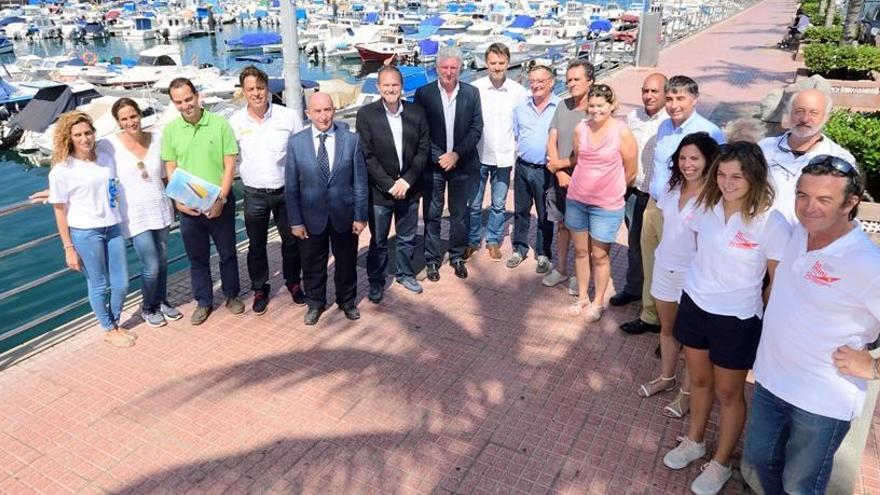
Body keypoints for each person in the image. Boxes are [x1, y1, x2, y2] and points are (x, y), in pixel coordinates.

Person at [744, 155, 879, 494]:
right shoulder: (797, 234)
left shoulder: (866, 263)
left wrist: (875, 367)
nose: (808, 207)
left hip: (822, 399)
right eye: (802, 195)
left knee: (800, 485)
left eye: (824, 199)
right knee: (760, 460)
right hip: (771, 381)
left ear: (851, 203)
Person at [663, 142, 791, 495]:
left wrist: (764, 323)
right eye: (721, 174)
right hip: (695, 304)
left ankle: (720, 463)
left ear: (754, 177)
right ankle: (695, 441)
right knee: (700, 382)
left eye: (737, 176)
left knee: (729, 393)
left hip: (736, 318)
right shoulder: (707, 205)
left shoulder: (771, 221)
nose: (727, 182)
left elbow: (776, 281)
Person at [622, 75, 726, 336]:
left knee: (683, 269)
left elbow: (717, 174)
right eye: (669, 98)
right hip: (656, 205)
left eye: (680, 98)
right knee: (652, 262)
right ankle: (650, 316)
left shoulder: (710, 132)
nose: (674, 104)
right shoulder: (664, 127)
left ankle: (676, 329)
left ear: (695, 100)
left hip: (688, 212)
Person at [637, 132, 720, 419]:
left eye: (695, 158)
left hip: (694, 276)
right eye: (683, 158)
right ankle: (666, 377)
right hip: (665, 267)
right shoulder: (672, 188)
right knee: (667, 329)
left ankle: (687, 395)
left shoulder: (715, 198)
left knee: (693, 340)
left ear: (708, 160)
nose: (688, 164)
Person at [48, 111, 132, 348]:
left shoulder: (106, 157)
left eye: (87, 133)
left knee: (122, 283)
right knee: (98, 284)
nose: (84, 139)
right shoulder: (62, 170)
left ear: (94, 133)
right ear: (69, 138)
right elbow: (59, 210)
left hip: (113, 227)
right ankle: (109, 327)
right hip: (86, 233)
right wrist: (68, 248)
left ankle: (114, 323)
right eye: (78, 135)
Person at [162, 77, 241, 326]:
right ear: (174, 104)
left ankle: (231, 295)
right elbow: (171, 169)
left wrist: (222, 198)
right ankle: (204, 302)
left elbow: (230, 166)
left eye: (188, 99)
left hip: (220, 202)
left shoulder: (220, 125)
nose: (185, 105)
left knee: (228, 253)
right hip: (189, 208)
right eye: (179, 102)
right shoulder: (170, 131)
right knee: (197, 259)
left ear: (197, 96)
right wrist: (178, 202)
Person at [285, 92, 368, 326]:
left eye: (328, 110)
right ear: (308, 113)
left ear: (334, 110)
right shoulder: (296, 143)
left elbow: (360, 182)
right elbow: (291, 187)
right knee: (312, 264)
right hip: (311, 217)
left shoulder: (351, 140)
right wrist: (296, 221)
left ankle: (347, 301)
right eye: (318, 111)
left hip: (344, 214)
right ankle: (315, 303)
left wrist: (360, 216)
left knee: (346, 262)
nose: (324, 116)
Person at [99, 98, 182, 328]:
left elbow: (167, 174)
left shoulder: (157, 138)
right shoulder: (109, 145)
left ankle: (162, 300)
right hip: (135, 215)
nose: (130, 122)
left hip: (161, 207)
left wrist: (177, 201)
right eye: (124, 119)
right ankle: (148, 307)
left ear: (140, 114)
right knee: (151, 264)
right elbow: (85, 161)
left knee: (163, 260)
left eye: (133, 116)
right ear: (118, 121)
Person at [229, 65, 305, 315]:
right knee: (256, 245)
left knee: (291, 243)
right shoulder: (235, 122)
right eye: (250, 89)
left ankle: (293, 282)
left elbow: (301, 154)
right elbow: (229, 158)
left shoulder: (289, 116)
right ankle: (260, 288)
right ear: (243, 92)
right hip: (254, 194)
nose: (256, 93)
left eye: (260, 88)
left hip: (286, 192)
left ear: (267, 89)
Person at [356, 65, 430, 303]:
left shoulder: (417, 113)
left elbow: (423, 150)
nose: (390, 89)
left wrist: (406, 181)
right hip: (380, 193)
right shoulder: (366, 115)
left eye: (395, 85)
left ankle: (405, 274)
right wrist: (389, 184)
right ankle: (376, 282)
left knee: (407, 237)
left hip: (409, 189)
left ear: (402, 86)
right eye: (386, 85)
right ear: (379, 87)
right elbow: (366, 155)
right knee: (378, 242)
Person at [566, 84, 637, 322]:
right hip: (577, 199)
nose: (595, 110)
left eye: (601, 106)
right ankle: (583, 296)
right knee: (580, 252)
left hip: (606, 205)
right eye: (592, 105)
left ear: (611, 106)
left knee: (600, 255)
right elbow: (578, 159)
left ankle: (598, 302)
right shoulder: (580, 129)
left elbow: (631, 169)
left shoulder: (622, 132)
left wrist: (612, 189)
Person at [413, 45, 483, 281]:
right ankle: (432, 260)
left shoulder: (471, 93)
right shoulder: (424, 94)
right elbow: (420, 131)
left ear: (460, 68)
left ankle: (456, 256)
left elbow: (476, 129)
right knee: (432, 214)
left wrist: (456, 155)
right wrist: (439, 157)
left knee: (459, 214)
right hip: (433, 166)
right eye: (444, 67)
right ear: (437, 68)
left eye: (453, 67)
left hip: (461, 164)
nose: (449, 71)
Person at [610, 73, 668, 310]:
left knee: (660, 249)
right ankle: (634, 289)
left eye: (655, 91)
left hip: (659, 198)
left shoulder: (670, 122)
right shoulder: (633, 118)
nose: (649, 96)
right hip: (634, 193)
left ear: (666, 93)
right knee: (635, 244)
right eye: (645, 91)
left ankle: (657, 301)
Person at [759, 88, 855, 226]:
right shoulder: (763, 148)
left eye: (813, 113)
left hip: (808, 239)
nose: (805, 119)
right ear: (789, 114)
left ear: (827, 117)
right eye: (799, 111)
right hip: (760, 237)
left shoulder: (840, 159)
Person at [468, 43, 527, 261]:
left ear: (508, 63)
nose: (497, 67)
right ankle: (473, 240)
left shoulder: (518, 92)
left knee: (499, 204)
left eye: (501, 63)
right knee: (474, 204)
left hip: (504, 157)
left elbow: (522, 124)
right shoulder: (475, 88)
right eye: (493, 63)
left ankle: (493, 240)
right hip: (478, 156)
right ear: (486, 63)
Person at [543, 60, 594, 292]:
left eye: (576, 79)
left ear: (590, 81)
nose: (571, 83)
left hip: (583, 179)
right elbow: (552, 139)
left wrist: (560, 166)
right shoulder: (562, 106)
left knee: (582, 230)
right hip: (560, 176)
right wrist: (560, 171)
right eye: (569, 79)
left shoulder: (595, 110)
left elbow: (590, 151)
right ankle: (561, 269)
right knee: (562, 225)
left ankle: (578, 274)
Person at [506, 64, 560, 273]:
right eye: (533, 81)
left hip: (545, 169)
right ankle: (519, 249)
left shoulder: (560, 107)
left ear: (551, 82)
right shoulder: (521, 106)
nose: (536, 85)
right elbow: (518, 135)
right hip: (522, 166)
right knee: (520, 211)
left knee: (545, 213)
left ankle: (543, 253)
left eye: (541, 81)